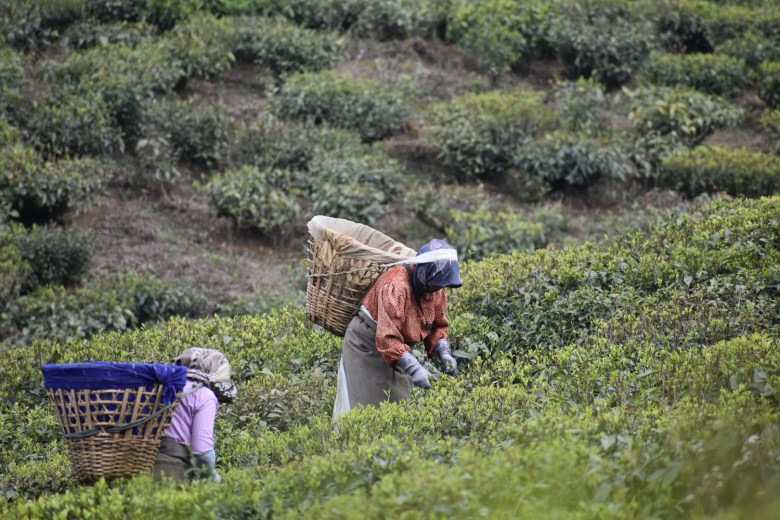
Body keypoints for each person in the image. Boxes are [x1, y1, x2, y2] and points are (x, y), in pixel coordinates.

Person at [332, 239, 462, 420]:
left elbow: (436, 325)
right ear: (424, 273)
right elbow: (387, 339)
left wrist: (444, 352)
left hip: (398, 350)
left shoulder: (434, 288)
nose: (438, 289)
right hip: (366, 344)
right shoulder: (396, 286)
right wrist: (414, 368)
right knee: (365, 410)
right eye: (436, 284)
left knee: (398, 408)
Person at [153, 347, 237, 483]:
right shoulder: (204, 395)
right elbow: (202, 453)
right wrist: (214, 480)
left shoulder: (160, 386)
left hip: (137, 466)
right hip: (171, 472)